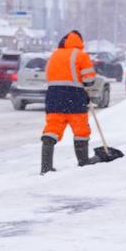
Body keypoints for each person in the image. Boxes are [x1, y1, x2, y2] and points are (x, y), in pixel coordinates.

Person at [41, 30, 97, 174]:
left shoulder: (54, 55)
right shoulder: (80, 55)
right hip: (75, 99)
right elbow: (89, 80)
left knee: (52, 129)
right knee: (80, 130)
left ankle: (46, 167)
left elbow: (47, 75)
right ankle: (83, 161)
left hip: (54, 98)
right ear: (80, 42)